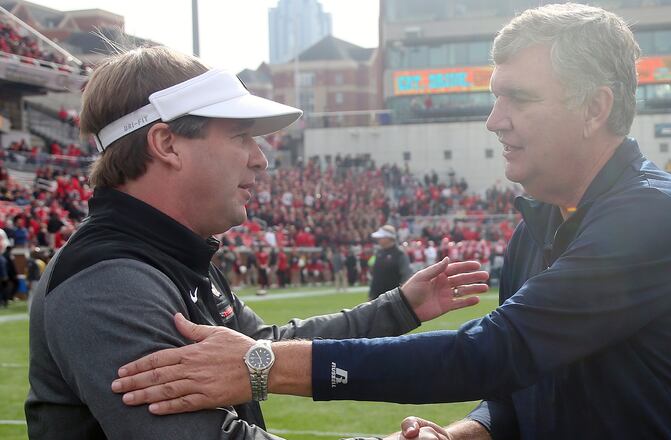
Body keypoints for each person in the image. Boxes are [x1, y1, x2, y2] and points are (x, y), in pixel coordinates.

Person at [112, 4, 671, 439]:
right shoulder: (538, 225)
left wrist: (262, 365)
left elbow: (491, 353)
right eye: (494, 99)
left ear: (595, 106)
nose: (494, 121)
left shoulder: (652, 217)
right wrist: (466, 433)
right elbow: (527, 382)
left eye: (517, 98)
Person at [24, 46, 489, 440]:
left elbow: (261, 347)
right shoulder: (110, 281)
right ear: (166, 143)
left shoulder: (168, 253)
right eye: (241, 136)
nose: (260, 159)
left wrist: (399, 307)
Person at [369, 224, 412, 300]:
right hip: (377, 298)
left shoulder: (400, 254)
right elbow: (376, 276)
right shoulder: (379, 253)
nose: (378, 239)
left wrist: (402, 297)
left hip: (393, 299)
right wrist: (371, 295)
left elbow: (406, 276)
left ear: (388, 238)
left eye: (381, 237)